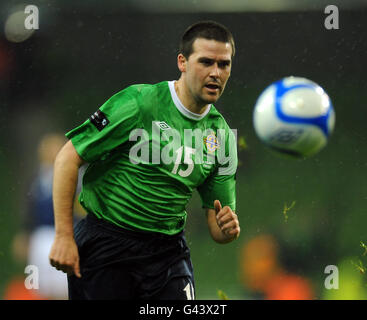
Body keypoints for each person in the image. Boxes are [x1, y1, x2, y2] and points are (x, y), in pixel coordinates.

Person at [49, 20, 240, 300]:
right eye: (206, 62)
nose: (215, 73)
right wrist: (64, 236)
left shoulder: (221, 137)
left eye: (224, 64)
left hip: (167, 253)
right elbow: (68, 157)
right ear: (182, 62)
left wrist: (228, 230)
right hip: (107, 243)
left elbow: (218, 228)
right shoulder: (140, 103)